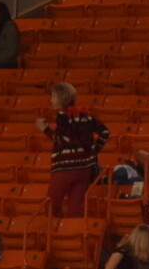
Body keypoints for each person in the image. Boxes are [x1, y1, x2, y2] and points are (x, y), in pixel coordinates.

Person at [36, 82, 111, 219]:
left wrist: (45, 130)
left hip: (65, 169)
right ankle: (73, 236)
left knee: (51, 205)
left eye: (53, 96)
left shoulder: (63, 117)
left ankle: (55, 234)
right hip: (84, 169)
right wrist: (93, 151)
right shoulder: (86, 114)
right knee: (76, 209)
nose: (51, 100)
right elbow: (105, 132)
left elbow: (64, 140)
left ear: (61, 97)